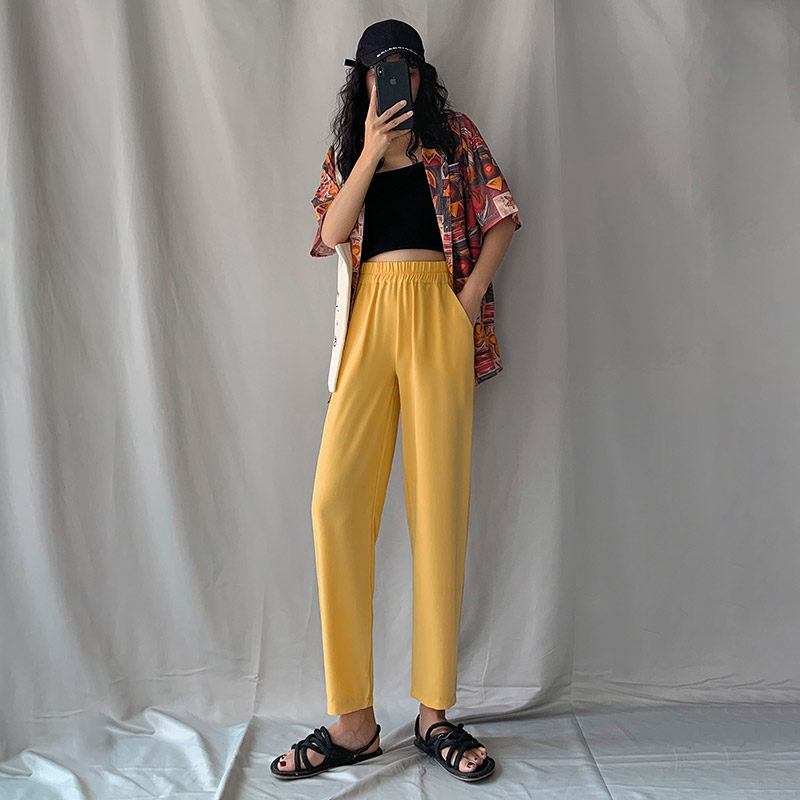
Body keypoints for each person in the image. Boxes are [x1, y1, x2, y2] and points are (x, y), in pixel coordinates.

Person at [271, 18, 521, 783]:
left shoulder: (455, 136)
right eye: (381, 68)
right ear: (364, 78)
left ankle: (433, 715)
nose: (395, 79)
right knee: (334, 503)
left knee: (437, 508)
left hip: (438, 310)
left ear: (421, 74)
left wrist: (465, 304)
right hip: (368, 317)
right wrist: (372, 151)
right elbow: (329, 232)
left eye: (406, 66)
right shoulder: (352, 147)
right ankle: (353, 722)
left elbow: (501, 214)